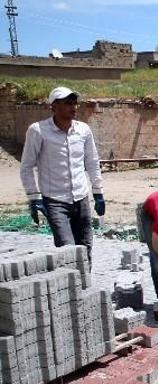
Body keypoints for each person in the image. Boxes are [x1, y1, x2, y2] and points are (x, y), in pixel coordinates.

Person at [19, 86, 105, 266]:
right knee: (67, 249)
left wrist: (98, 192)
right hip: (55, 200)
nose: (73, 107)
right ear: (54, 106)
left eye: (74, 103)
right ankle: (71, 287)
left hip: (81, 198)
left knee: (86, 246)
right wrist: (33, 197)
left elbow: (92, 161)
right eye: (67, 103)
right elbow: (26, 166)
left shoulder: (83, 130)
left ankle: (84, 287)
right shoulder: (38, 131)